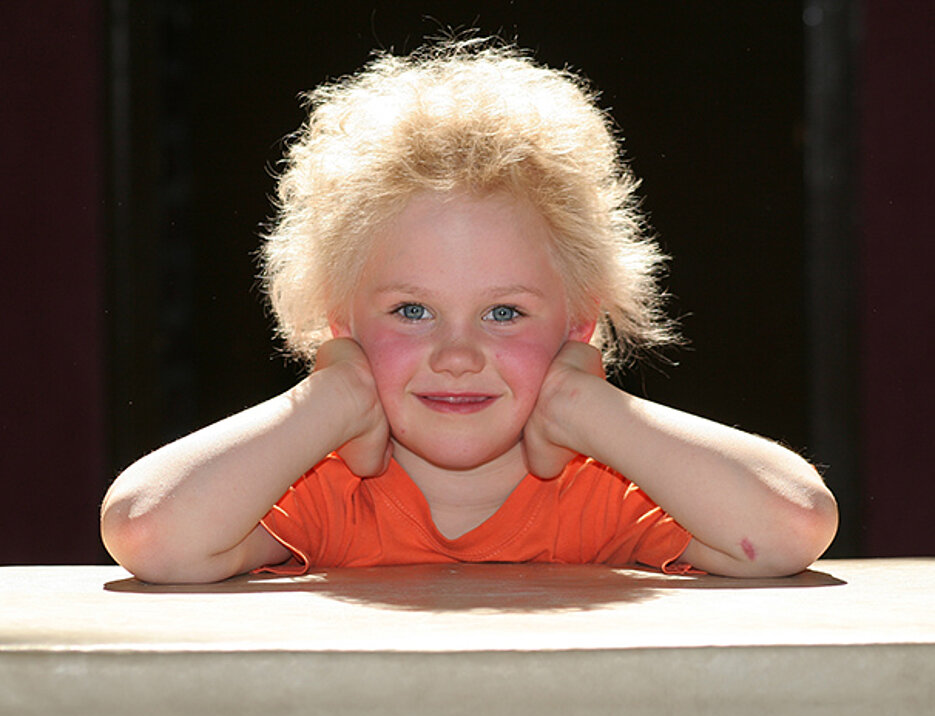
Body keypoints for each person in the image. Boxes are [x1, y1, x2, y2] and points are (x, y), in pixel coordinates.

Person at [100, 39, 838, 584]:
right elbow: (149, 534)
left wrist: (589, 408)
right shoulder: (324, 492)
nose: (457, 355)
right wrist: (328, 401)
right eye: (412, 310)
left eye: (505, 313)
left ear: (578, 325)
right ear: (342, 325)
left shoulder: (604, 488)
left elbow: (789, 526)